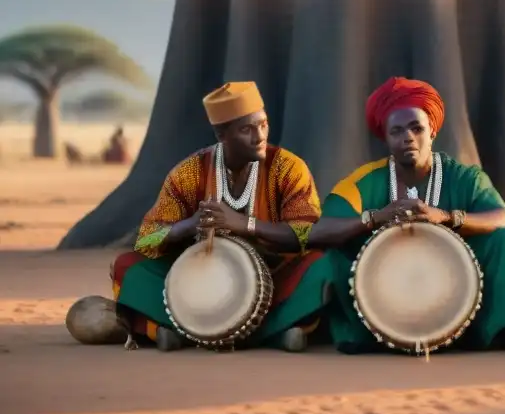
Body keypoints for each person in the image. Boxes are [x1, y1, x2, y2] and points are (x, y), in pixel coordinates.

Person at [81, 82, 330, 352]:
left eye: (263, 124)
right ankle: (274, 334)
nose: (259, 136)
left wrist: (245, 225)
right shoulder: (189, 172)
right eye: (246, 129)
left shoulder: (288, 168)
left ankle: (183, 333)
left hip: (276, 277)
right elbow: (146, 238)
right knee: (128, 266)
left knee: (322, 264)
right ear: (222, 134)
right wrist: (188, 226)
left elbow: (306, 234)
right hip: (201, 285)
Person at [307, 77, 505, 354]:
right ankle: (357, 333)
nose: (407, 137)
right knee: (334, 253)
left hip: (455, 289)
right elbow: (317, 232)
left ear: (432, 131)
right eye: (396, 131)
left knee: (502, 240)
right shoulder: (363, 182)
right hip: (385, 292)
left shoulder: (465, 177)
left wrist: (447, 217)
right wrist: (373, 219)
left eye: (416, 128)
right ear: (385, 138)